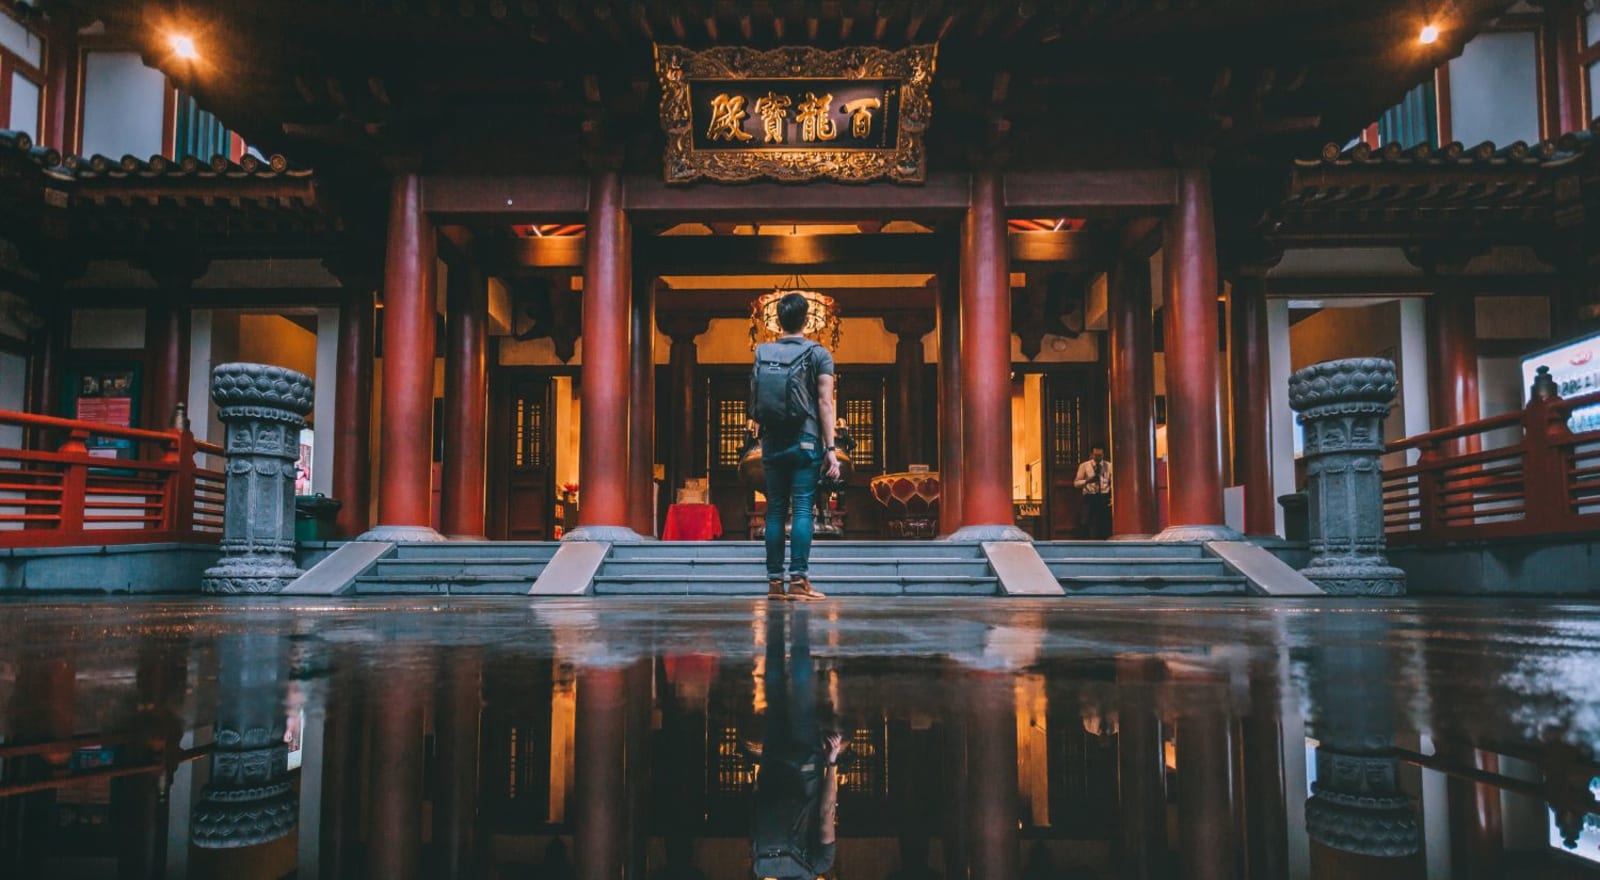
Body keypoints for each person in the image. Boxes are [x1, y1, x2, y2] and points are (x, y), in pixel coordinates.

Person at [747, 293, 841, 601]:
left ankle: (775, 583)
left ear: (779, 320)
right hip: (806, 439)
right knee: (802, 507)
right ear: (806, 320)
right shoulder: (818, 353)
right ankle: (799, 581)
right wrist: (831, 449)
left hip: (772, 442)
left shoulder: (762, 352)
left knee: (774, 511)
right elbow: (825, 402)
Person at [750, 608, 841, 878]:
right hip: (773, 765)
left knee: (802, 688)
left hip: (806, 766)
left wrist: (832, 762)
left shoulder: (818, 865)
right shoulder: (761, 866)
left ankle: (799, 613)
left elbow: (825, 813)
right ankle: (776, 613)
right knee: (775, 689)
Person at [1073, 443, 1112, 539]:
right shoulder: (1084, 466)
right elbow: (1076, 483)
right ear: (1091, 454)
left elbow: (1113, 482)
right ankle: (1085, 543)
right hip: (1090, 496)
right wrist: (1087, 481)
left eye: (1100, 455)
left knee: (1104, 522)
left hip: (1104, 496)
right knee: (1085, 521)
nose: (1098, 458)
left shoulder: (1109, 466)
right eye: (1096, 455)